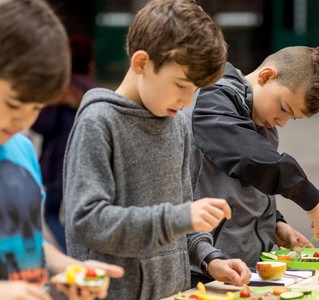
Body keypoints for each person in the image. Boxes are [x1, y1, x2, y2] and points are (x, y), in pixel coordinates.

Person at [63, 0, 251, 298]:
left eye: (195, 91)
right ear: (141, 63)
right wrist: (178, 217)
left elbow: (181, 217)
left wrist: (209, 257)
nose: (188, 101)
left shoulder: (177, 125)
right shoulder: (98, 122)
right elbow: (88, 222)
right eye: (181, 85)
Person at [0, 0, 124, 299]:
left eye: (37, 108)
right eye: (14, 104)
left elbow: (25, 242)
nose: (24, 120)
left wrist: (68, 267)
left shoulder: (21, 148)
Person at [183, 46, 319, 269]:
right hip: (205, 267)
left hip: (247, 267)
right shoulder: (212, 97)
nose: (282, 122)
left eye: (291, 118)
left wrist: (275, 224)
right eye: (284, 108)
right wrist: (311, 199)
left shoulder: (262, 118)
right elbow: (250, 159)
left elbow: (249, 187)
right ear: (266, 76)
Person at [31, 35, 99, 251]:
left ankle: (70, 256)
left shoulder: (62, 88)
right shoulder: (95, 90)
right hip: (86, 164)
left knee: (51, 213)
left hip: (57, 164)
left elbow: (43, 124)